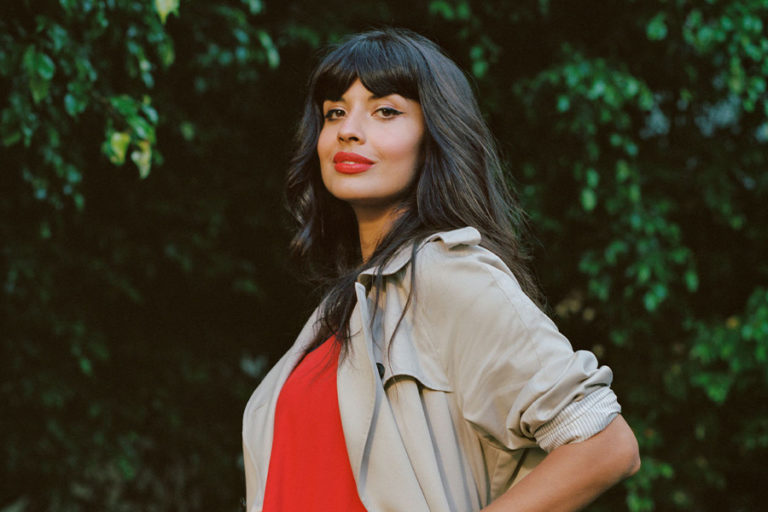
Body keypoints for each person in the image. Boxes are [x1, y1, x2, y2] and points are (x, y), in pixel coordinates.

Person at [242, 28, 640, 512]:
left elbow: (605, 445)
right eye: (335, 112)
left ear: (435, 137)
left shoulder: (443, 272)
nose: (349, 128)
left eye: (385, 110)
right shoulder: (341, 312)